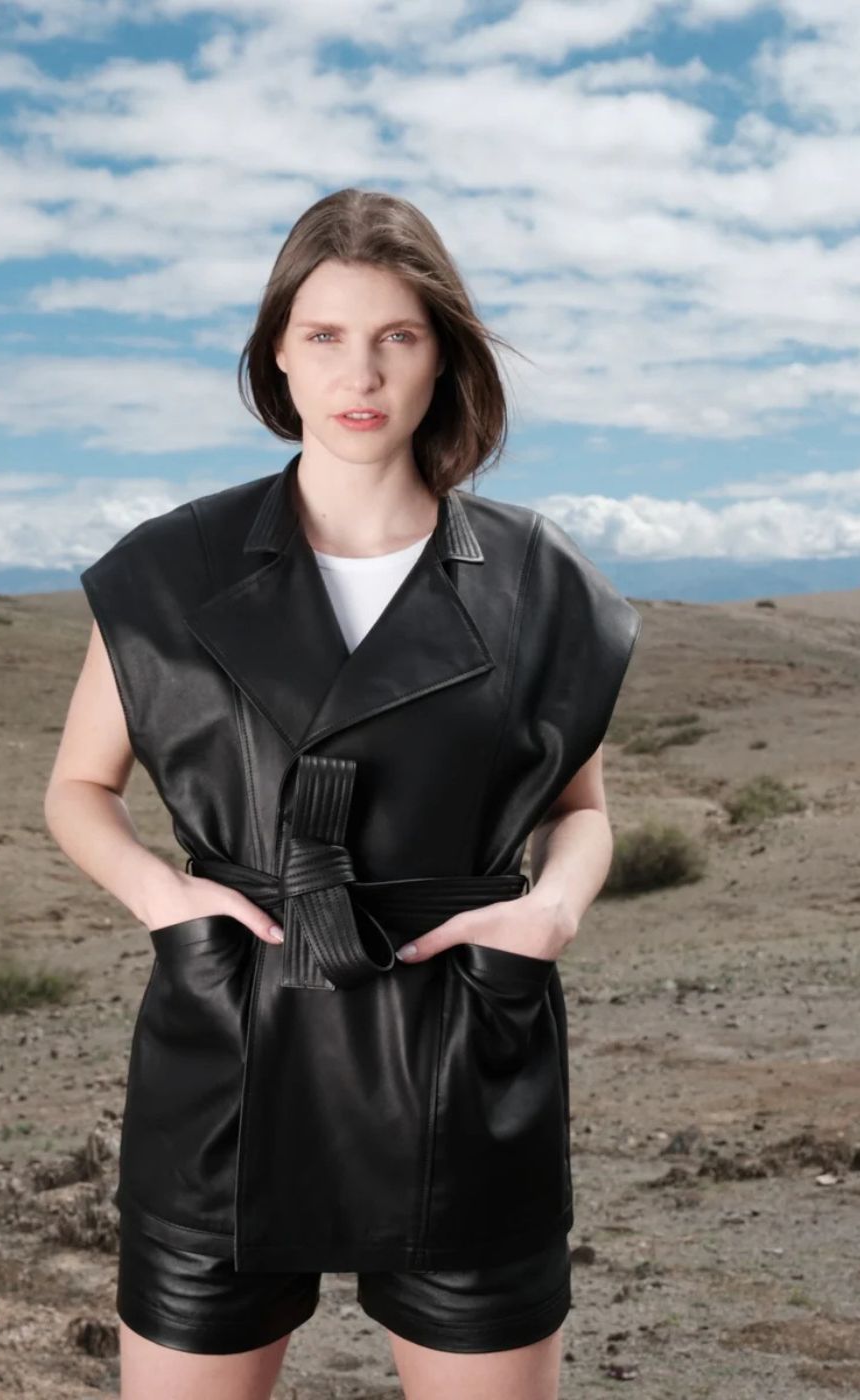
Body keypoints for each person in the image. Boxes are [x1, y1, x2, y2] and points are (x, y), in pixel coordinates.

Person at [45, 187, 642, 1400]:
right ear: (277, 350)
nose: (358, 370)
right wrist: (167, 899)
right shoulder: (168, 569)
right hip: (229, 1036)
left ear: (443, 358)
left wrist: (549, 916)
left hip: (463, 1041)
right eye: (324, 334)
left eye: (397, 336)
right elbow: (77, 785)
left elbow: (580, 809)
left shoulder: (543, 580)